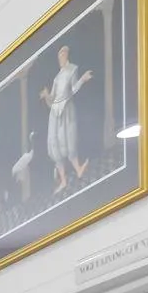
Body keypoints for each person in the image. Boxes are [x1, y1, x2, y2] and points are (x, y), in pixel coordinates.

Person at [39, 44, 94, 193]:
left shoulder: (72, 70)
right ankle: (63, 180)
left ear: (66, 55)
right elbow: (53, 100)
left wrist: (82, 79)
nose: (60, 59)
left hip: (67, 110)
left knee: (68, 140)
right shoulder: (57, 77)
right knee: (55, 146)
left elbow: (73, 89)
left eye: (62, 56)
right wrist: (46, 96)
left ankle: (78, 169)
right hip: (56, 113)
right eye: (58, 57)